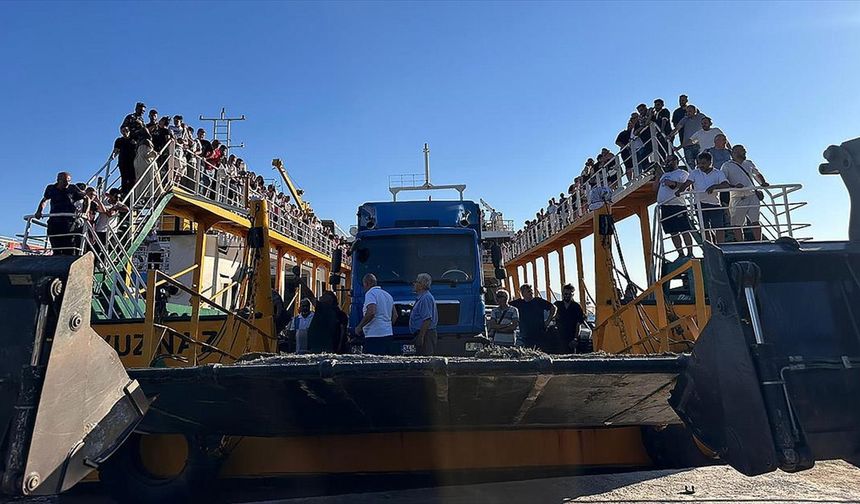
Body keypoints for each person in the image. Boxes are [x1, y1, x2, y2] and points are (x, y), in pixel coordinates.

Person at [677, 152, 740, 243]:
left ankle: (721, 246)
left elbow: (725, 185)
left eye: (703, 163)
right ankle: (710, 246)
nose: (700, 165)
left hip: (714, 204)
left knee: (719, 227)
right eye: (698, 163)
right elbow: (687, 183)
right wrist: (679, 191)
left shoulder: (718, 173)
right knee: (704, 228)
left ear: (710, 162)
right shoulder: (695, 173)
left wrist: (714, 186)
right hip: (699, 204)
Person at [721, 144, 770, 241]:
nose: (744, 152)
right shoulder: (727, 166)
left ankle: (759, 242)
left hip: (752, 195)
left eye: (744, 150)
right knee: (737, 224)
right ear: (734, 153)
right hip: (737, 196)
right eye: (742, 150)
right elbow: (723, 180)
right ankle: (741, 243)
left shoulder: (749, 163)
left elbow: (757, 174)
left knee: (755, 221)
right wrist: (734, 186)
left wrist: (763, 182)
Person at [653, 154, 694, 257]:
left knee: (684, 230)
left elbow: (686, 187)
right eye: (666, 160)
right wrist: (658, 177)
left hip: (677, 205)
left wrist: (673, 184)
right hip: (665, 206)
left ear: (675, 161)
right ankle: (680, 253)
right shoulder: (664, 175)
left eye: (669, 160)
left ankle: (689, 252)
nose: (666, 162)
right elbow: (655, 189)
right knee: (673, 232)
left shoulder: (682, 173)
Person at [35, 172, 85, 255]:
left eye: (69, 181)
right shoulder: (51, 188)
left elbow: (86, 198)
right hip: (54, 221)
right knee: (55, 245)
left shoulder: (72, 188)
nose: (67, 183)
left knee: (68, 248)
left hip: (69, 222)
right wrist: (39, 211)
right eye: (65, 181)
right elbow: (44, 200)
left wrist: (84, 212)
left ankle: (67, 263)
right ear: (58, 180)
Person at [355, 273, 397, 354]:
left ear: (366, 283)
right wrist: (387, 327)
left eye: (363, 284)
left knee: (373, 363)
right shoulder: (388, 295)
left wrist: (360, 326)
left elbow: (371, 312)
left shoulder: (370, 294)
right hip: (388, 335)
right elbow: (395, 315)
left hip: (374, 335)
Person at [510, 283, 555, 349]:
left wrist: (548, 321)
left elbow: (553, 308)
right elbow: (505, 305)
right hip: (525, 335)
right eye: (528, 291)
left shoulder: (538, 301)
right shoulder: (519, 303)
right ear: (523, 293)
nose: (531, 293)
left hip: (540, 333)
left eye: (531, 291)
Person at [409, 273, 438, 356]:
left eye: (416, 282)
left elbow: (427, 319)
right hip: (425, 334)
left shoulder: (425, 298)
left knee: (425, 360)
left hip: (426, 335)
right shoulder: (422, 297)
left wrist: (421, 337)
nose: (414, 284)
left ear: (422, 285)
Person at [552, 284, 586, 354]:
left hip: (571, 338)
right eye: (565, 294)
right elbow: (550, 316)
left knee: (571, 358)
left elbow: (578, 324)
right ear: (563, 294)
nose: (567, 295)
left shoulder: (576, 307)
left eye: (569, 294)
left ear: (572, 294)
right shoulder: (557, 305)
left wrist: (575, 339)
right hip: (559, 337)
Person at [670, 104, 706, 169]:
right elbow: (677, 128)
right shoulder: (685, 119)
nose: (688, 113)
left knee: (701, 163)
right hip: (687, 146)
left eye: (690, 111)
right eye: (687, 111)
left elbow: (707, 124)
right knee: (690, 164)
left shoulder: (701, 116)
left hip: (699, 144)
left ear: (695, 111)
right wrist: (670, 136)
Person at [111, 126, 137, 196]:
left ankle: (133, 194)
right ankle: (124, 193)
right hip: (123, 161)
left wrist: (135, 144)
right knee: (124, 178)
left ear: (129, 130)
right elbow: (116, 149)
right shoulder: (119, 140)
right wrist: (113, 155)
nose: (124, 132)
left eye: (126, 130)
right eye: (123, 131)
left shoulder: (134, 139)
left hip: (133, 161)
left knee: (133, 178)